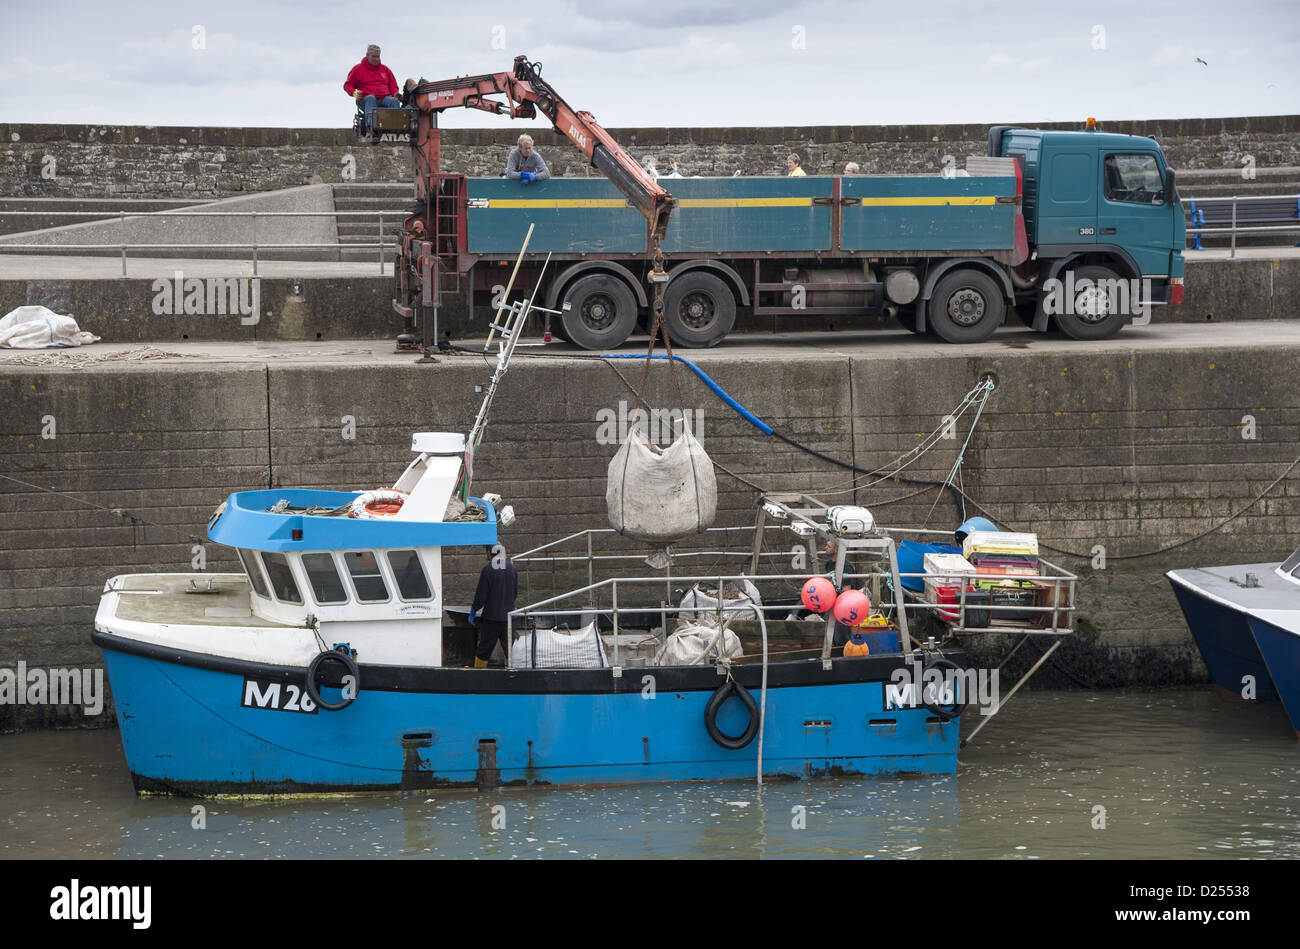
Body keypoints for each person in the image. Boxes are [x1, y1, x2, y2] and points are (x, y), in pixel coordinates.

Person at [470, 545, 519, 667]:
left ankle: (478, 675)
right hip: (508, 616)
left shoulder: (488, 570)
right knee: (511, 650)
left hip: (492, 617)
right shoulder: (512, 568)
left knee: (484, 650)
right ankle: (514, 673)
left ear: (489, 553)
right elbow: (515, 592)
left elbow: (481, 595)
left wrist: (474, 610)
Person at [344, 44, 400, 139]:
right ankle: (371, 127)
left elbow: (393, 86)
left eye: (377, 56)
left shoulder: (385, 70)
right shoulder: (358, 69)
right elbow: (347, 85)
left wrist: (395, 93)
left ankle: (395, 128)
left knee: (394, 101)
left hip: (384, 98)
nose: (376, 59)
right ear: (367, 55)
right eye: (373, 56)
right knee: (371, 98)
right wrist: (354, 93)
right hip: (366, 99)